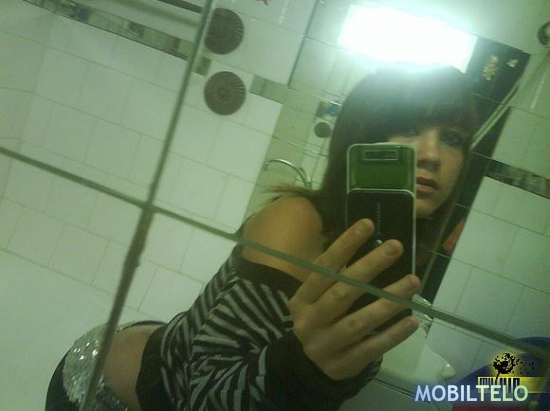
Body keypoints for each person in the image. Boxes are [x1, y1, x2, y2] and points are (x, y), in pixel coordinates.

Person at [46, 63, 478, 410]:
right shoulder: (297, 222)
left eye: (452, 138)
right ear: (363, 139)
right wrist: (305, 368)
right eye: (409, 128)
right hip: (102, 391)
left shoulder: (398, 256)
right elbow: (201, 397)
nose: (432, 155)